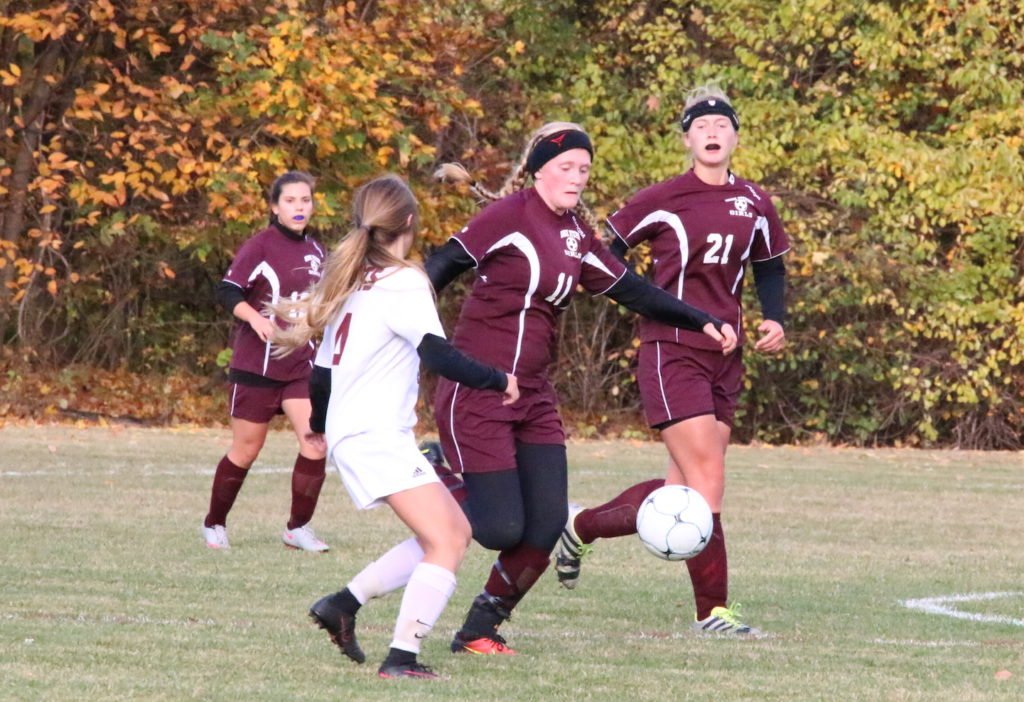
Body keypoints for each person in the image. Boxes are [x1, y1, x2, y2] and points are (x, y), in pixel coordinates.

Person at [425, 121, 738, 655]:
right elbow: (433, 271)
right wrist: (415, 340)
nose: (577, 178)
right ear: (539, 169)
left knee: (545, 526)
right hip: (477, 389)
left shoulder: (574, 234)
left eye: (584, 169)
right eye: (567, 167)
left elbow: (633, 290)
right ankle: (434, 468)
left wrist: (699, 318)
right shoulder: (506, 217)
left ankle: (480, 628)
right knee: (501, 530)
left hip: (534, 397)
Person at [554, 87, 790, 635]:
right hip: (671, 350)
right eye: (700, 125)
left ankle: (580, 525)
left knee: (681, 492)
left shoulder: (754, 200)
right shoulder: (662, 197)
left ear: (735, 135)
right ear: (686, 137)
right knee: (708, 476)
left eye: (722, 124)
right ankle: (712, 612)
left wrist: (774, 317)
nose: (712, 132)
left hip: (725, 357)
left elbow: (770, 266)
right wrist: (639, 296)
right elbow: (603, 253)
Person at [272, 174, 519, 679]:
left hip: (356, 431)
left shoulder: (355, 280)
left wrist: (319, 425)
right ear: (409, 221)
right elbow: (438, 355)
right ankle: (402, 657)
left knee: (451, 531)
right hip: (374, 434)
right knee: (448, 542)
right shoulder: (404, 280)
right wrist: (499, 379)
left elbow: (322, 374)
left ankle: (343, 604)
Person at [201, 170, 330, 552]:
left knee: (315, 442)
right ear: (275, 207)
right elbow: (226, 291)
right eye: (290, 200)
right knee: (246, 450)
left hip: (300, 367)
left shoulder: (318, 251)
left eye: (305, 200)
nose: (299, 207)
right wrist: (255, 317)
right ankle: (214, 523)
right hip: (257, 367)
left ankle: (297, 529)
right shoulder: (259, 246)